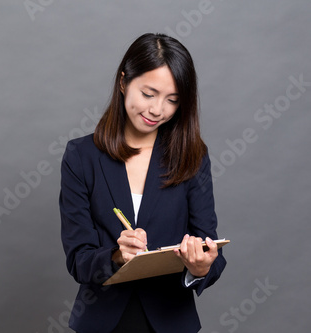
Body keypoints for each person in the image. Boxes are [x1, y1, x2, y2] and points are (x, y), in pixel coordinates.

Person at [59, 33, 227, 333]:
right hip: (102, 322)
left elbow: (209, 247)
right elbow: (78, 259)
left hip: (171, 320)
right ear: (123, 82)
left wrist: (201, 268)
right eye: (148, 94)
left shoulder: (193, 156)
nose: (157, 110)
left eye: (172, 100)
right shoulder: (81, 156)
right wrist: (116, 256)